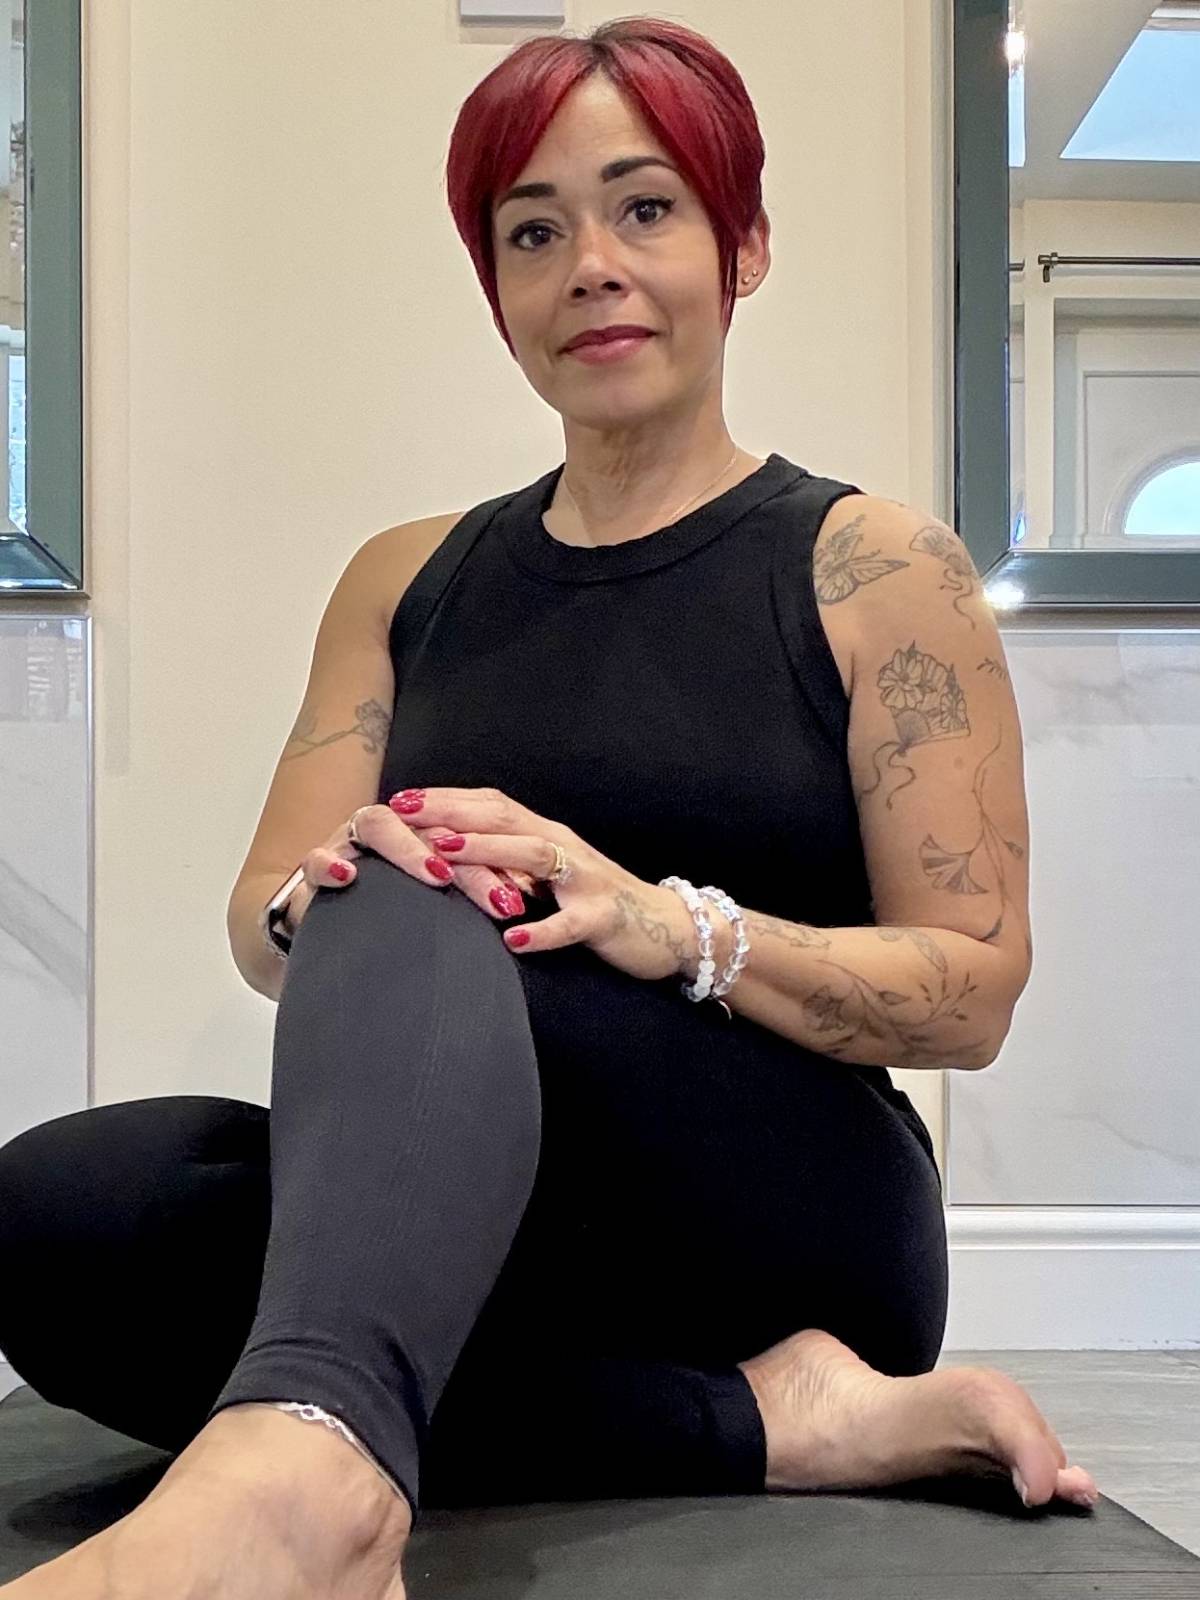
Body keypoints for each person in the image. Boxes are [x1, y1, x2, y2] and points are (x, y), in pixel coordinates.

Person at [0, 16, 1099, 1598]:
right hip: (477, 1212)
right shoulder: (404, 579)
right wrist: (329, 889)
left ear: (745, 244)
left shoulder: (875, 568)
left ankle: (304, 1480)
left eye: (645, 208)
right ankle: (754, 1424)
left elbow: (975, 993)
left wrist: (667, 925)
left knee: (425, 895)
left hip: (775, 1203)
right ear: (496, 286)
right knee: (63, 1220)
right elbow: (261, 921)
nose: (591, 265)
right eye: (534, 231)